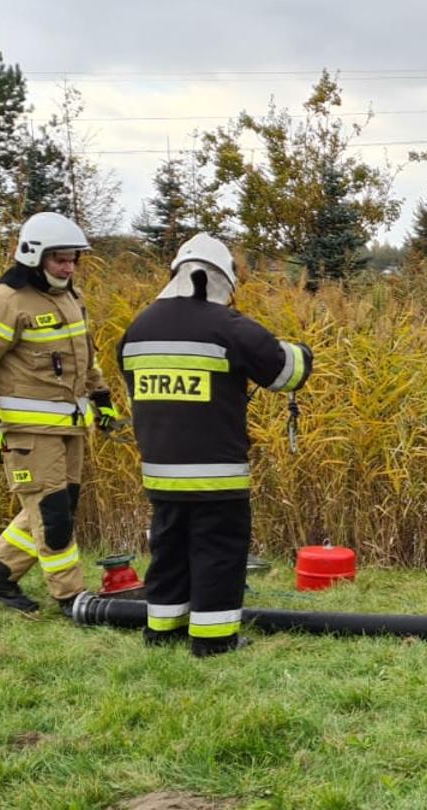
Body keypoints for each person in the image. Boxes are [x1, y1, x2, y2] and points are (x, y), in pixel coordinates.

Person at [118, 233, 312, 657]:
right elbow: (287, 372)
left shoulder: (138, 327)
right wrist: (302, 350)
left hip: (160, 473)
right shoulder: (226, 325)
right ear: (219, 279)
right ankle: (214, 640)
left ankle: (162, 631)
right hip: (215, 474)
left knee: (168, 552)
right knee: (218, 552)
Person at [0, 212, 118, 614]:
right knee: (51, 514)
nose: (68, 267)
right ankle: (70, 596)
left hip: (70, 427)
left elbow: (85, 356)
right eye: (59, 259)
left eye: (73, 259)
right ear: (34, 256)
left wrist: (101, 397)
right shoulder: (5, 301)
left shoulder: (70, 297)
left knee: (55, 507)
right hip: (27, 432)